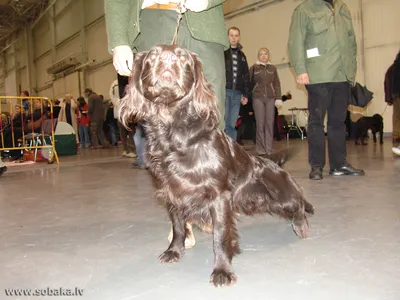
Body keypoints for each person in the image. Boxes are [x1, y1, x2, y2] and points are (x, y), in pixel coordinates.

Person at [104, 0, 228, 129]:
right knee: (157, 126)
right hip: (150, 23)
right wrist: (119, 41)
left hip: (205, 25)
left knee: (211, 120)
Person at [288, 0, 365, 180]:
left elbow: (351, 40)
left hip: (341, 75)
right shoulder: (304, 9)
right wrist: (300, 69)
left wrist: (351, 68)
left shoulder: (342, 8)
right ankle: (316, 166)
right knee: (316, 122)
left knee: (338, 122)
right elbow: (295, 40)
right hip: (317, 74)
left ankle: (339, 165)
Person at [249, 47, 282, 155]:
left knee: (269, 123)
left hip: (270, 98)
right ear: (258, 56)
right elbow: (249, 84)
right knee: (260, 123)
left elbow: (277, 83)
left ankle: (269, 148)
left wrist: (278, 98)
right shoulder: (253, 68)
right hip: (257, 98)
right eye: (261, 54)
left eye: (265, 54)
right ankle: (261, 149)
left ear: (268, 56)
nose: (263, 56)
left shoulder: (273, 68)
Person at [224, 26, 250, 140]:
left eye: (236, 35)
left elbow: (246, 76)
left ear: (239, 37)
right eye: (231, 35)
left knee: (232, 123)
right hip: (224, 92)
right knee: (223, 122)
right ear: (228, 37)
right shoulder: (223, 53)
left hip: (237, 94)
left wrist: (245, 94)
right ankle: (222, 149)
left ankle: (231, 149)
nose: (234, 38)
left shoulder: (242, 56)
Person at [384, 50, 400, 144]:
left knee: (396, 115)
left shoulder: (391, 68)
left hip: (395, 95)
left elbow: (386, 83)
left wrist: (389, 98)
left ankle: (396, 135)